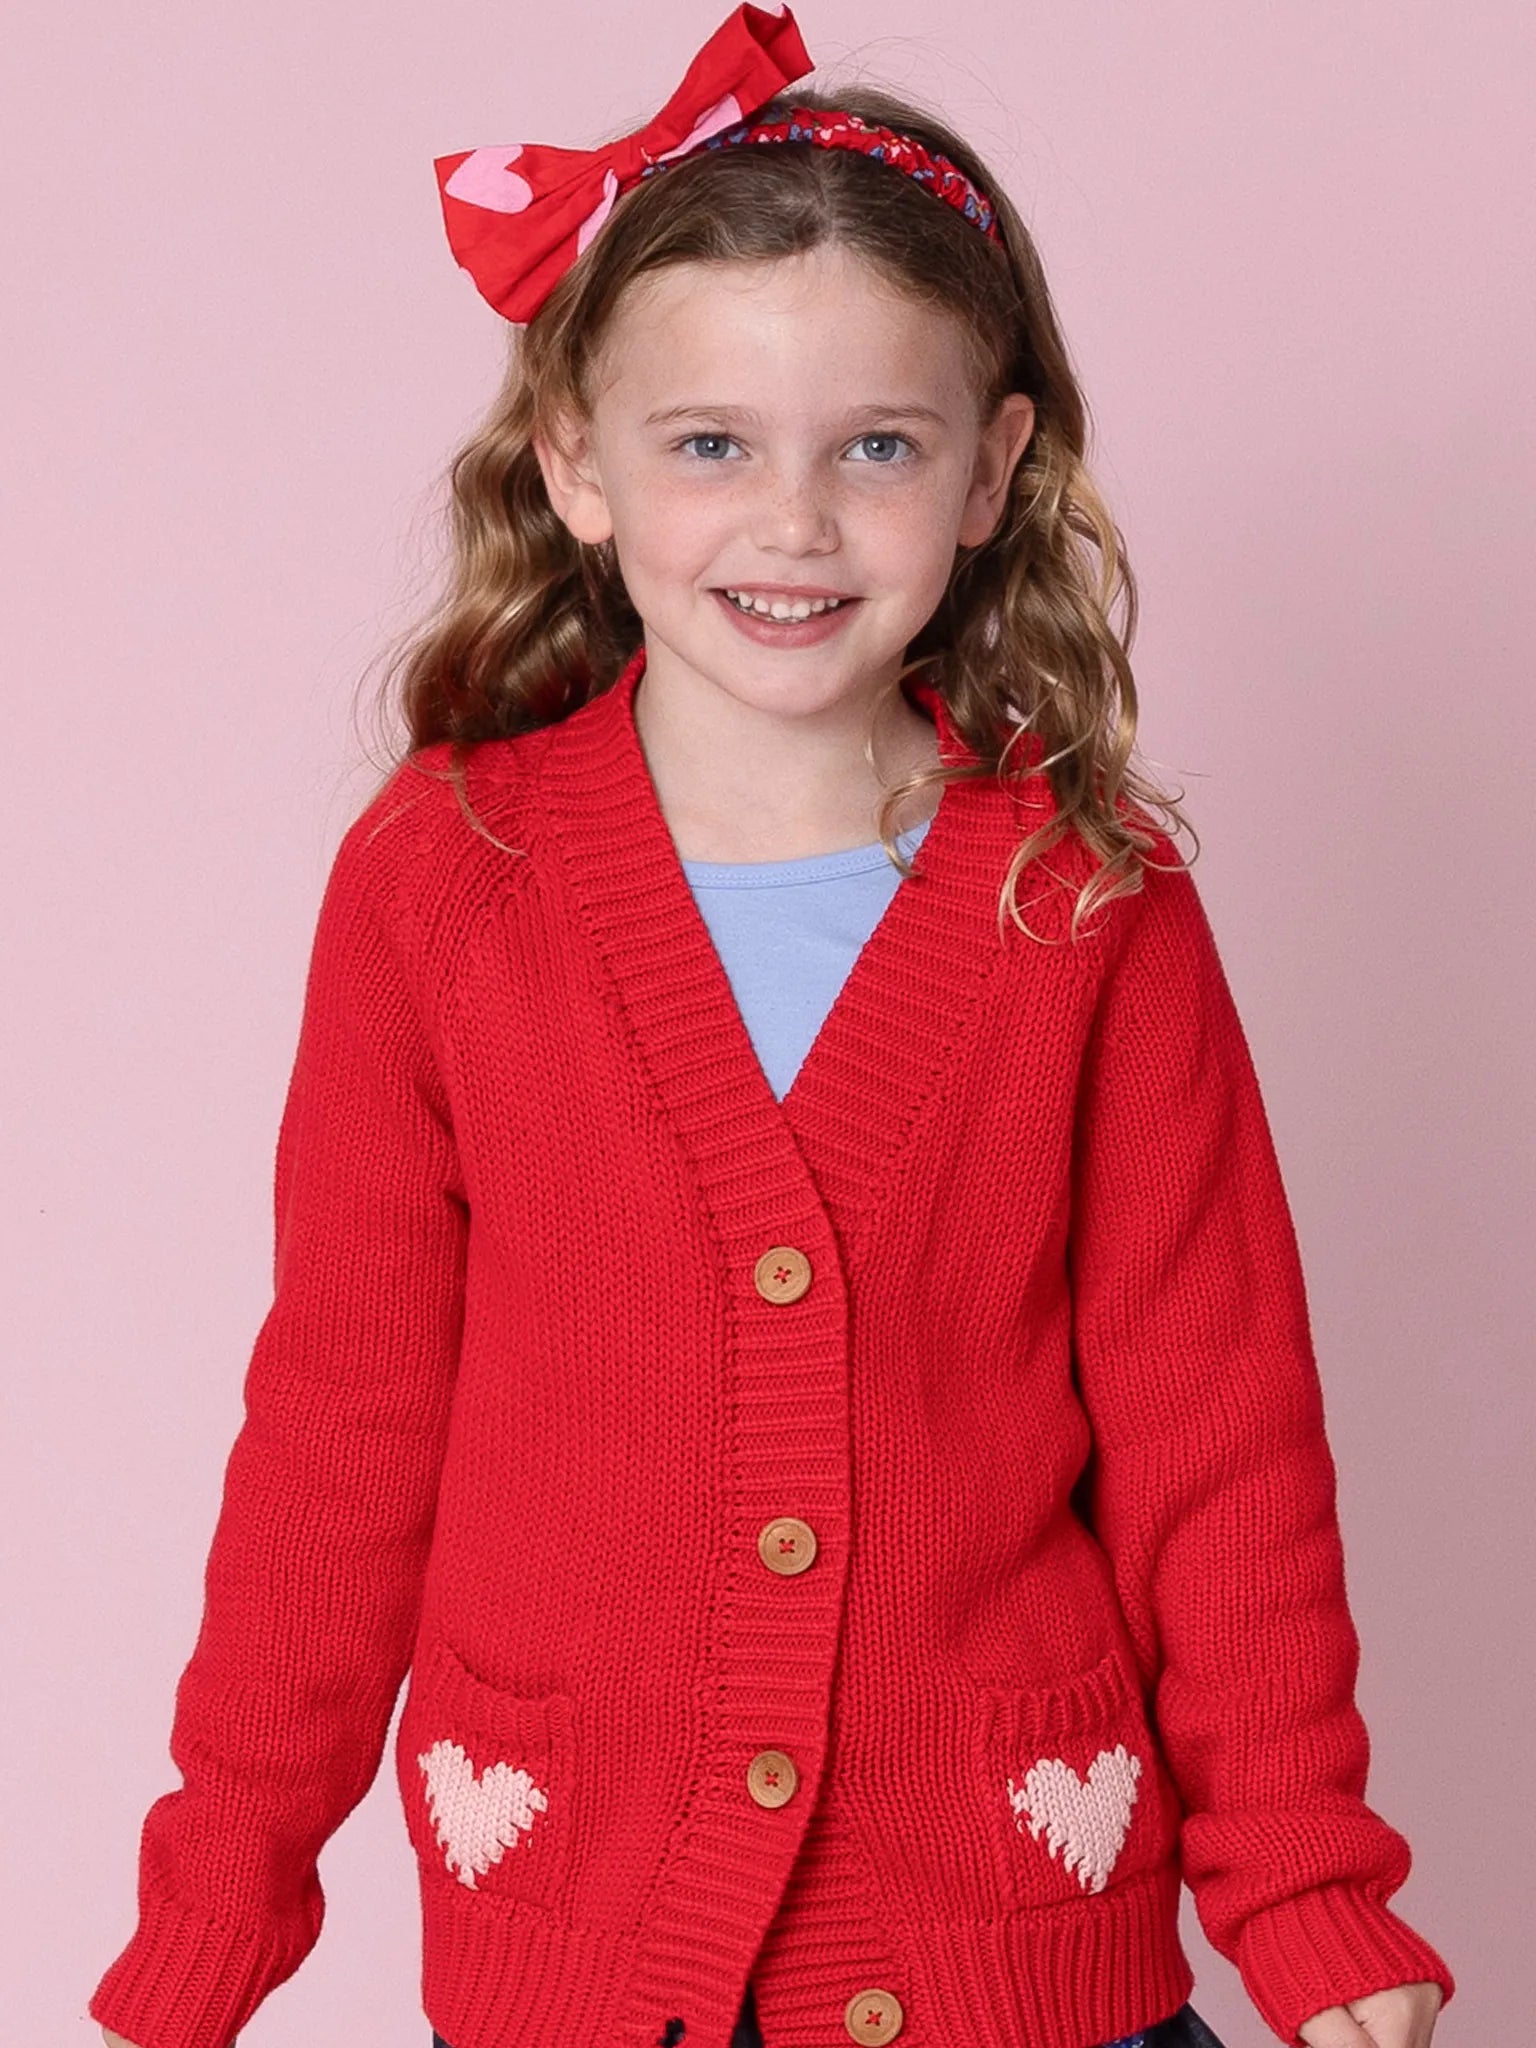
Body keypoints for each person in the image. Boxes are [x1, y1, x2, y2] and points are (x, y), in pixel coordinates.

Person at [90, 8, 1457, 2048]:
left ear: (992, 469)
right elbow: (338, 1442)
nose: (792, 522)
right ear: (576, 461)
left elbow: (1218, 1432)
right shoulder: (444, 879)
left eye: (877, 447)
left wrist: (1308, 1877)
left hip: (1014, 1934)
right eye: (710, 442)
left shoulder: (1083, 899)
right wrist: (213, 1918)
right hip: (581, 1924)